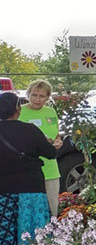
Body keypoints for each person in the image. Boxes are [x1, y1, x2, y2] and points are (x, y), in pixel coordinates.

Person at [0, 92, 57, 245]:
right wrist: (53, 143)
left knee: (5, 229)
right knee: (32, 228)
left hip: (3, 189)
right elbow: (50, 154)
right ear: (18, 109)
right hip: (31, 187)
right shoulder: (31, 130)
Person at [18, 80, 64, 217]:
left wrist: (57, 141)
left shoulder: (50, 112)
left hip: (50, 167)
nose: (37, 99)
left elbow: (56, 134)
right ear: (28, 95)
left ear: (47, 97)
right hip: (28, 168)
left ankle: (54, 235)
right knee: (30, 207)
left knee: (52, 204)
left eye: (42, 96)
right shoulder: (20, 112)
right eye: (34, 95)